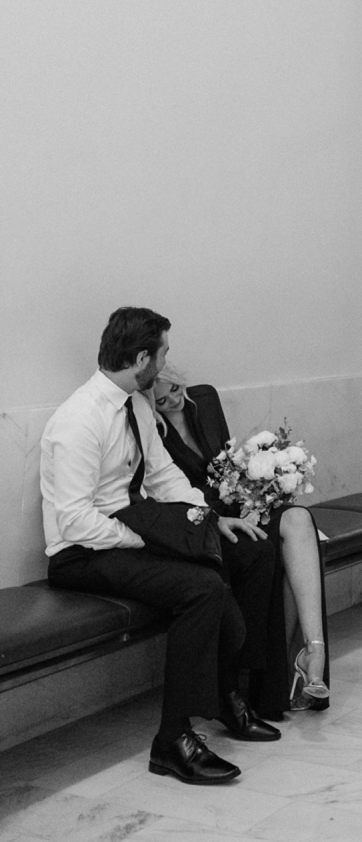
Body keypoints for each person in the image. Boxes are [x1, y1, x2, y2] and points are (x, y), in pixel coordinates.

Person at [40, 307, 282, 786]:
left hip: (129, 532)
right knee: (203, 587)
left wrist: (210, 521)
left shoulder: (136, 405)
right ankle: (173, 740)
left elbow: (163, 475)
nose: (168, 362)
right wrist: (144, 539)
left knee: (251, 549)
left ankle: (230, 694)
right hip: (82, 554)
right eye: (164, 352)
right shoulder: (79, 420)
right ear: (142, 357)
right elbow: (74, 520)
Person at [151, 367, 330, 714]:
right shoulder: (152, 431)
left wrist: (258, 488)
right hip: (209, 521)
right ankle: (283, 675)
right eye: (161, 399)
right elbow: (168, 495)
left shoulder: (203, 402)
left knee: (298, 519)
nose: (172, 399)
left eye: (174, 389)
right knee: (271, 549)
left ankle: (313, 649)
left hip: (240, 502)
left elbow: (230, 460)